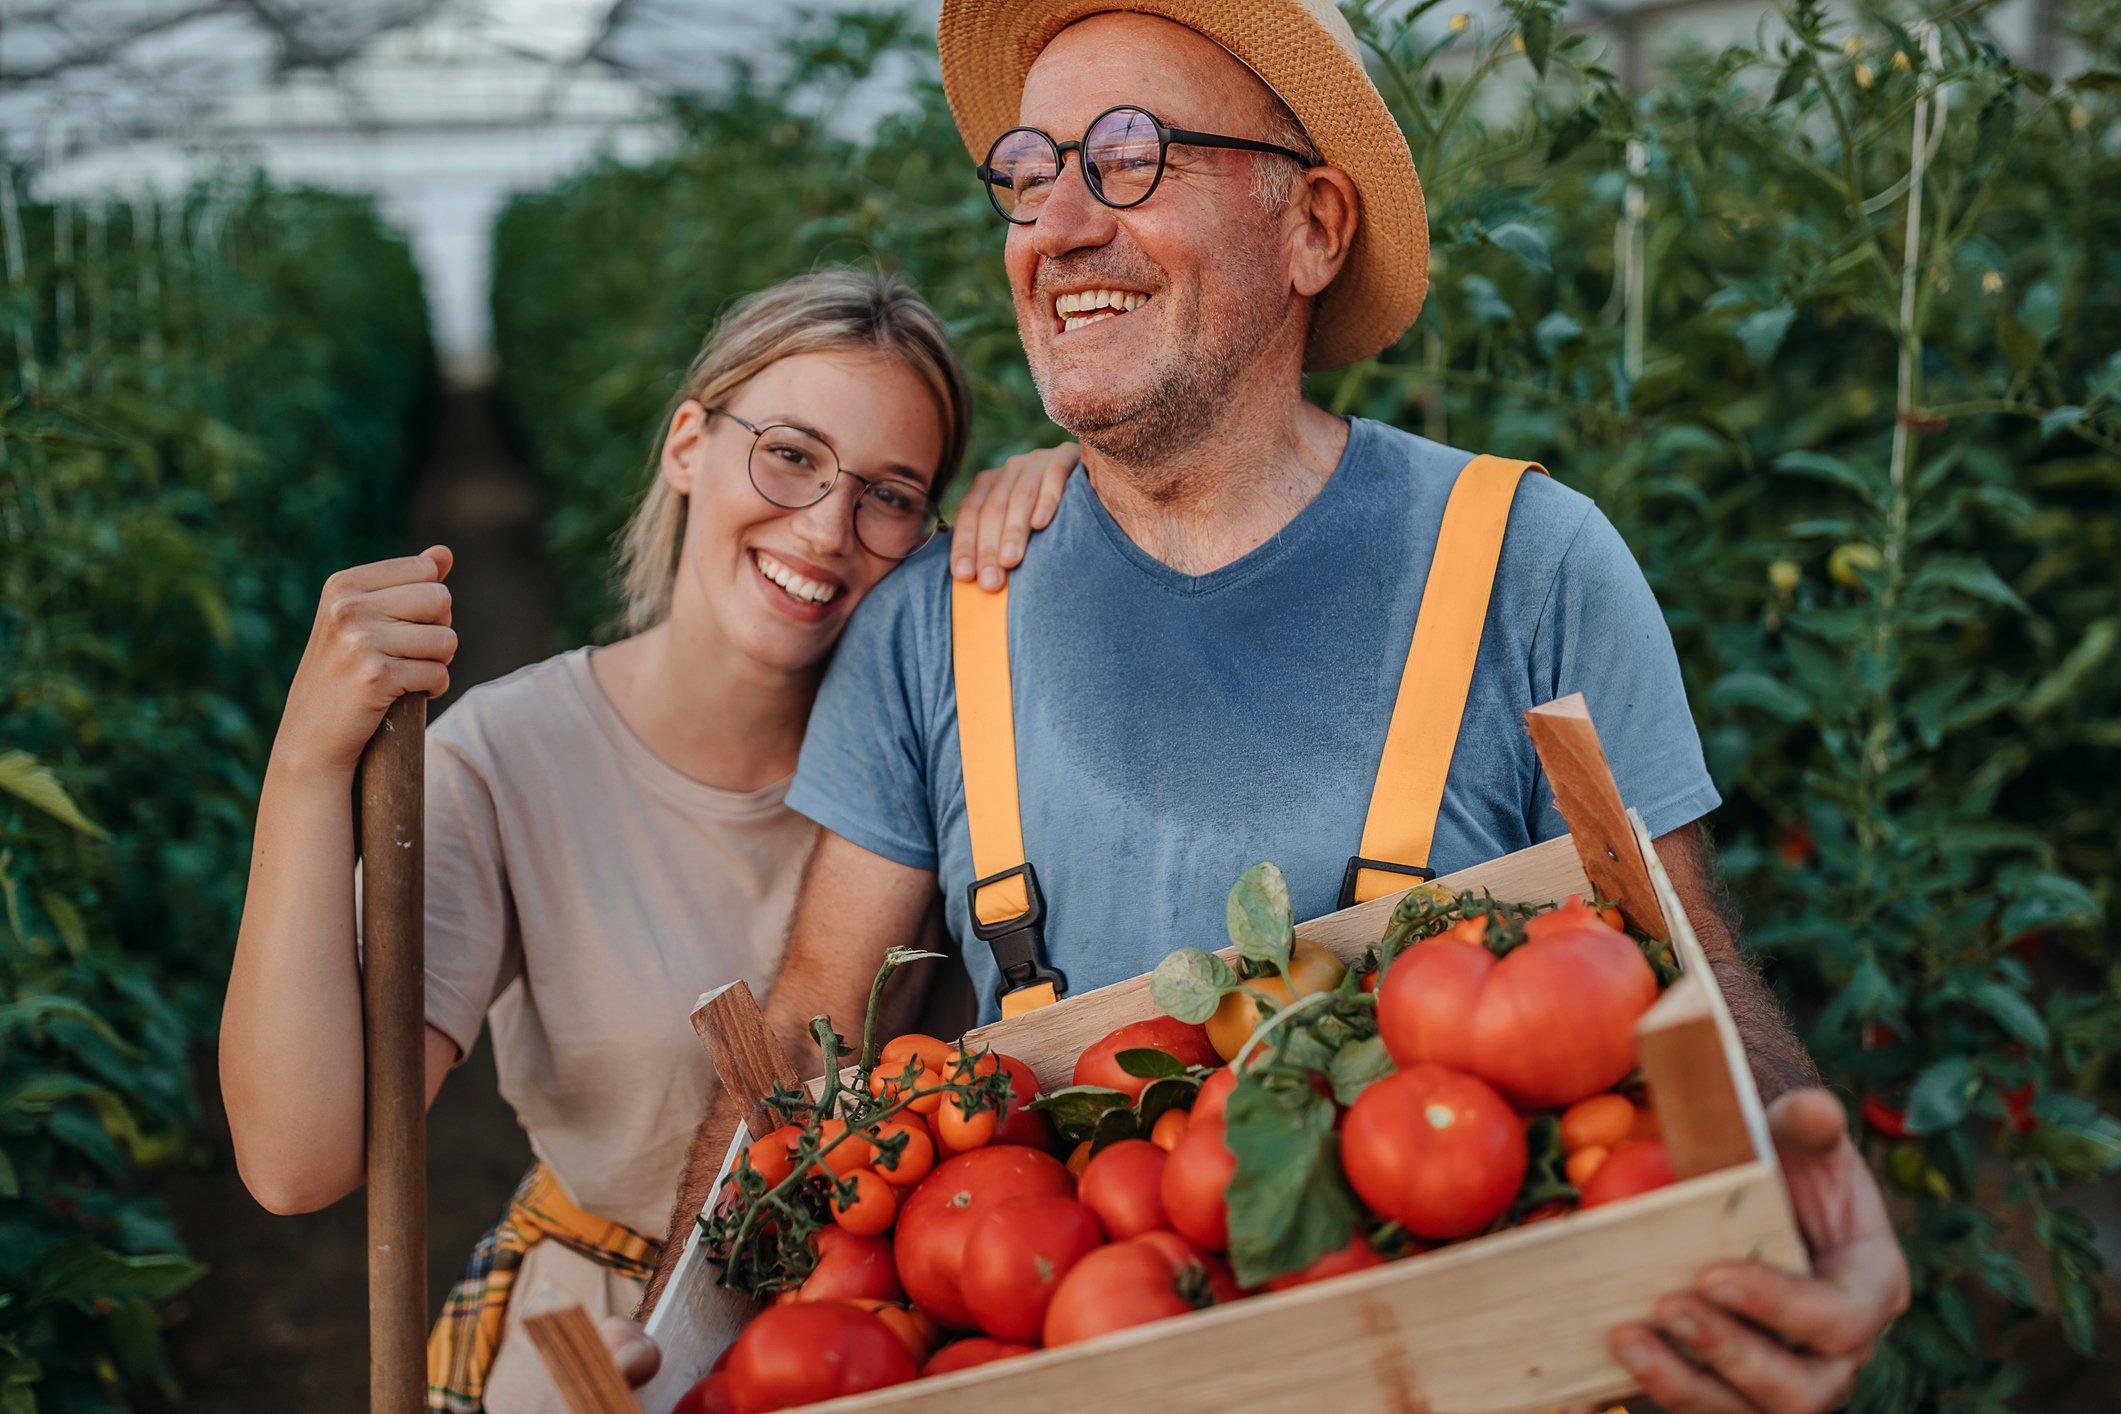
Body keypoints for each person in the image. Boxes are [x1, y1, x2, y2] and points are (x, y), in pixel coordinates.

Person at [626, 8, 1912, 1413]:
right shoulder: (933, 622)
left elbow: (1684, 957)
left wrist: (1796, 1187)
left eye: (1129, 156)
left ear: (1309, 226)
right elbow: (813, 1029)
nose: (1055, 219)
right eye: (1027, 167)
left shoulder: (1526, 562)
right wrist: (671, 1334)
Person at [217, 268, 1076, 1412]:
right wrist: (307, 765)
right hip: (608, 1347)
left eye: (890, 492)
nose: (824, 526)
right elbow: (297, 1157)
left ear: (931, 530)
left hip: (900, 1332)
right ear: (687, 445)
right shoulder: (510, 758)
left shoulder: (968, 741)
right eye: (789, 453)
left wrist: (1093, 510)